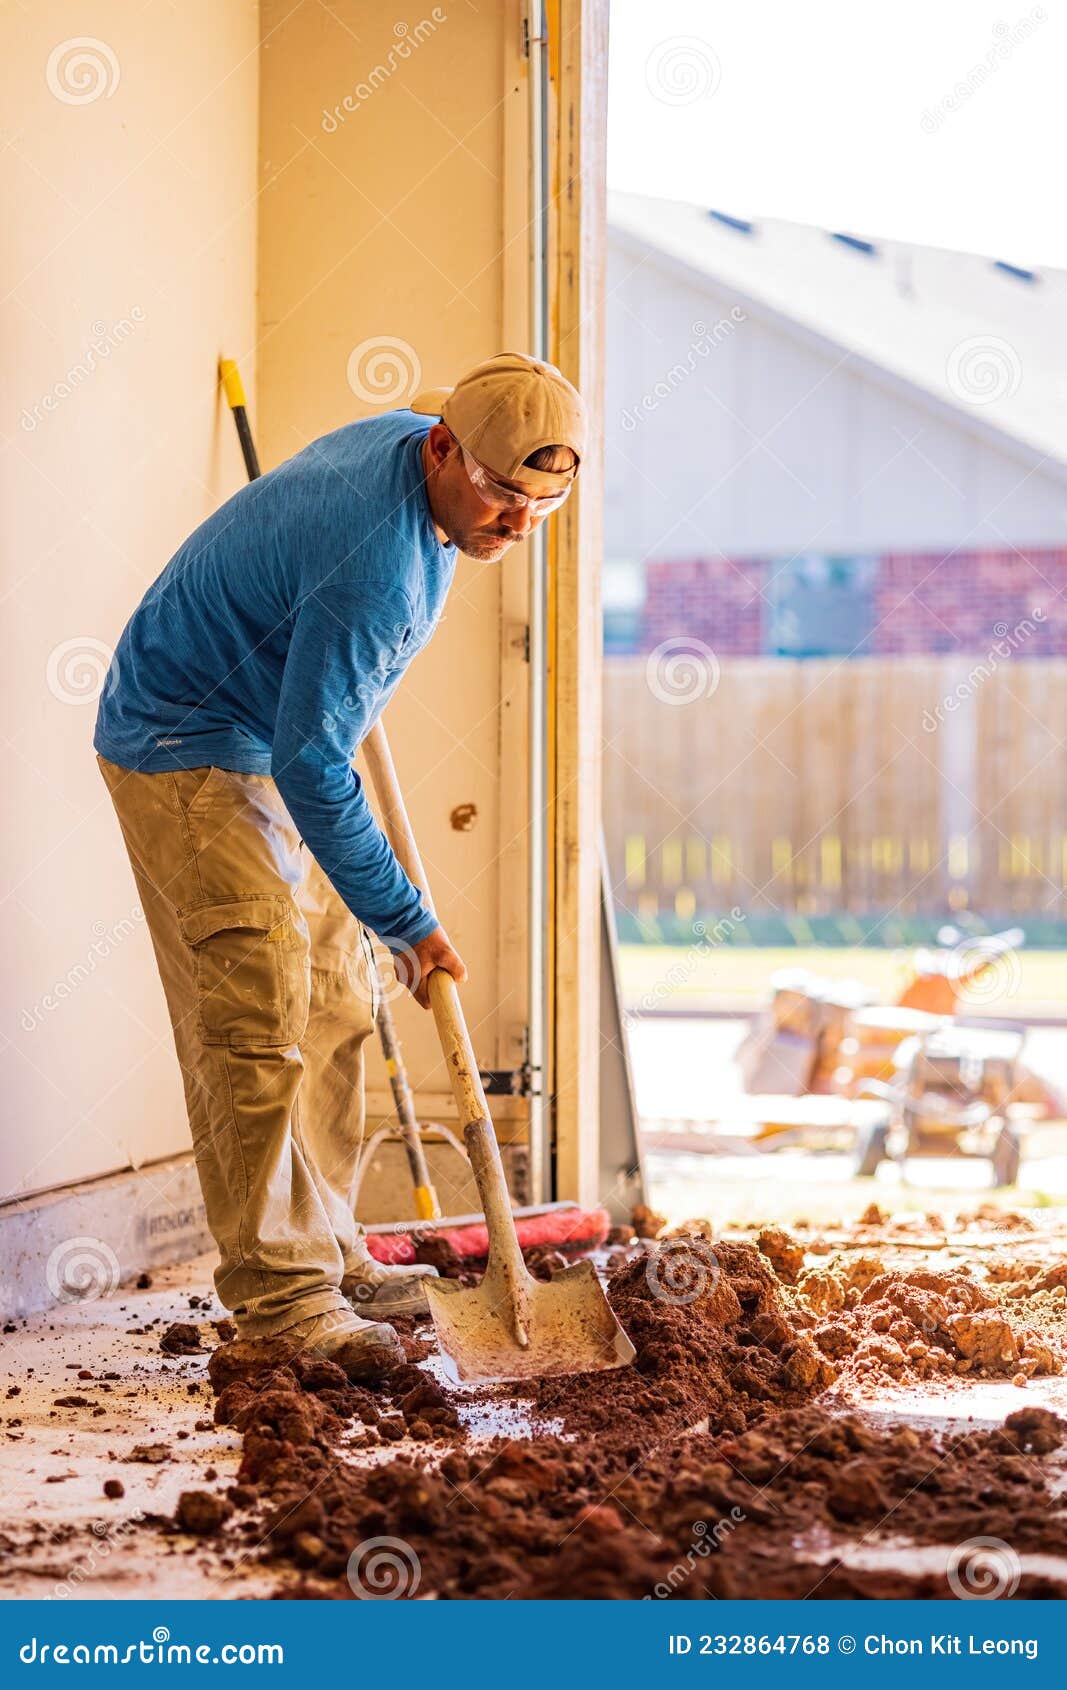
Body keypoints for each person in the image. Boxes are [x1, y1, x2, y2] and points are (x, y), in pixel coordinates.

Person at [94, 352, 586, 1378]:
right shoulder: (377, 566)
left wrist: (377, 927)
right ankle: (283, 1297)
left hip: (268, 731)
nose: (516, 523)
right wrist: (409, 918)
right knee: (258, 1019)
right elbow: (314, 764)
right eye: (501, 493)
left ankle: (328, 1250)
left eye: (544, 501)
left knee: (330, 997)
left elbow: (313, 741)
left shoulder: (420, 451)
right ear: (443, 449)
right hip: (187, 745)